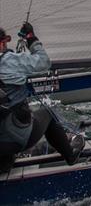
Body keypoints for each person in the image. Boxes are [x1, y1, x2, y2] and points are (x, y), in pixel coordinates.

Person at [0, 24, 84, 173]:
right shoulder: (9, 61)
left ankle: (5, 162)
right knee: (47, 113)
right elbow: (44, 62)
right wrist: (31, 39)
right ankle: (71, 156)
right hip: (16, 139)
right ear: (2, 43)